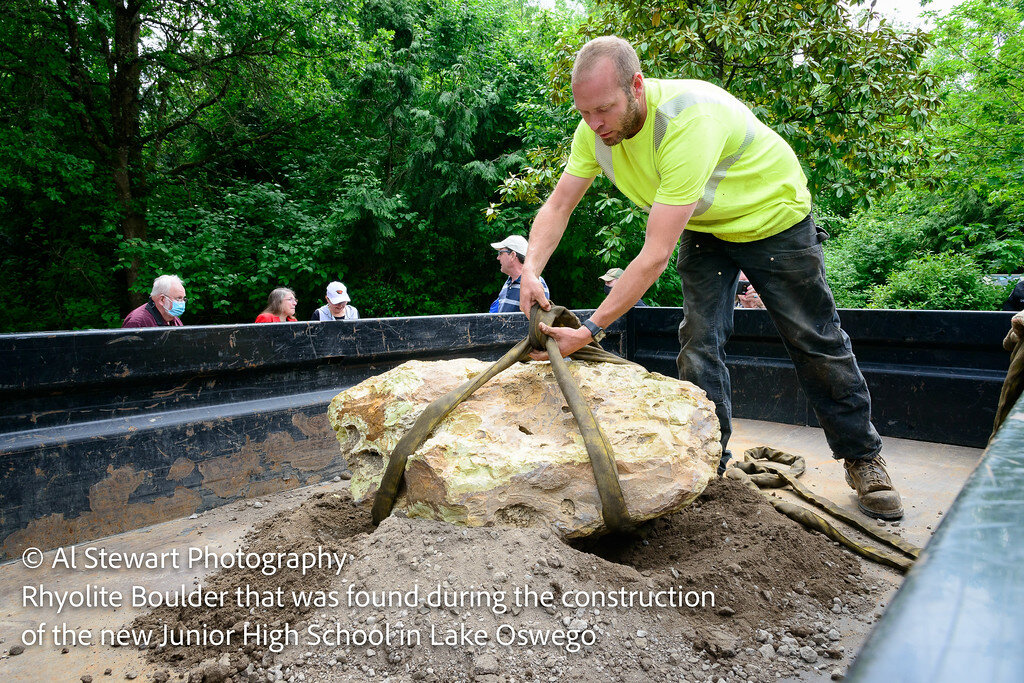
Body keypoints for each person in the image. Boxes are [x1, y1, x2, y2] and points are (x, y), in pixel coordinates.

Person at [517, 36, 902, 520]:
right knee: (699, 341)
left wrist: (591, 329)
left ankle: (863, 457)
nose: (595, 124)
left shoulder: (687, 119)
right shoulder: (592, 131)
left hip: (773, 219)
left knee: (814, 338)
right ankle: (711, 468)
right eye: (585, 112)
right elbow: (558, 205)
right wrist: (530, 270)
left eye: (605, 109)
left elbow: (654, 255)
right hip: (705, 226)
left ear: (636, 86)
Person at [488, 235, 550, 313]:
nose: (498, 258)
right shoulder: (509, 282)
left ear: (512, 255)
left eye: (501, 253)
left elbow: (539, 320)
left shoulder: (534, 283)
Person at [122, 275, 187, 328]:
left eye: (183, 299)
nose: (182, 303)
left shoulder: (173, 319)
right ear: (162, 299)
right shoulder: (138, 323)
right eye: (178, 298)